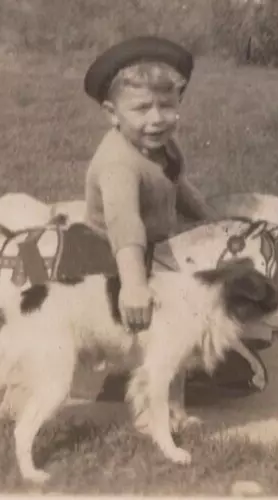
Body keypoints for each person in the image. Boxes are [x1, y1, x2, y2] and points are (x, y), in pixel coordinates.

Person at [82, 35, 219, 334]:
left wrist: (212, 220)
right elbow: (124, 224)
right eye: (142, 108)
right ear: (111, 113)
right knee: (177, 306)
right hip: (114, 254)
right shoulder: (119, 164)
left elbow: (176, 183)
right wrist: (133, 286)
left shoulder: (160, 144)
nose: (157, 119)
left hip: (153, 244)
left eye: (167, 105)